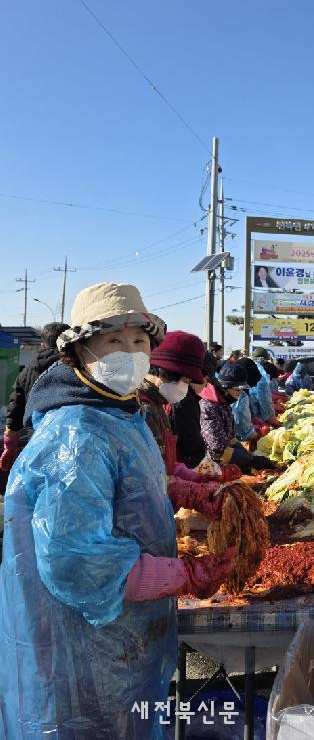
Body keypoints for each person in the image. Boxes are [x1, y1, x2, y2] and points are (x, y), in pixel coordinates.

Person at [0, 282, 236, 739]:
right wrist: (185, 575)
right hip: (79, 642)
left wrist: (187, 494)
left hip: (121, 635)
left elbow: (133, 486)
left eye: (139, 342)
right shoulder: (76, 433)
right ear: (79, 353)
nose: (130, 353)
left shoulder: (118, 414)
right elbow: (76, 564)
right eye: (113, 341)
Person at [1, 321, 70, 473]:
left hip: (36, 439)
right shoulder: (76, 368)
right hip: (71, 439)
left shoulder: (27, 372)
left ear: (42, 345)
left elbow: (15, 408)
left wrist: (10, 444)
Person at [140, 330, 206, 475]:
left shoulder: (157, 403)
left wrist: (184, 473)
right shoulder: (143, 409)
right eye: (185, 381)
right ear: (164, 373)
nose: (185, 388)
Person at [201, 362, 274, 469]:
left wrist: (246, 453)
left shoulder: (223, 403)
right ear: (224, 388)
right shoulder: (209, 406)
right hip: (208, 464)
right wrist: (250, 460)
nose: (240, 393)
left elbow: (229, 437)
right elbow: (216, 449)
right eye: (237, 390)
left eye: (241, 390)